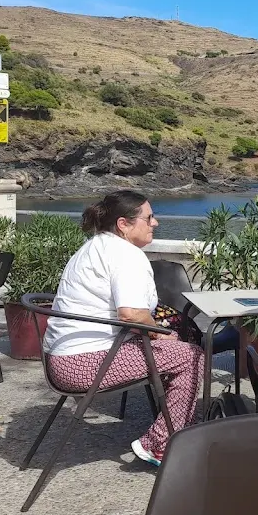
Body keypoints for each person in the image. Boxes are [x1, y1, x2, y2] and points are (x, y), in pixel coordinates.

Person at [43, 190, 204, 467]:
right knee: (192, 356)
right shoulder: (126, 255)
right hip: (83, 365)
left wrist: (160, 335)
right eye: (149, 218)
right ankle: (160, 443)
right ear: (123, 224)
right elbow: (131, 313)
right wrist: (159, 331)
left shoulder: (95, 246)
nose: (155, 223)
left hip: (59, 358)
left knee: (173, 345)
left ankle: (171, 423)